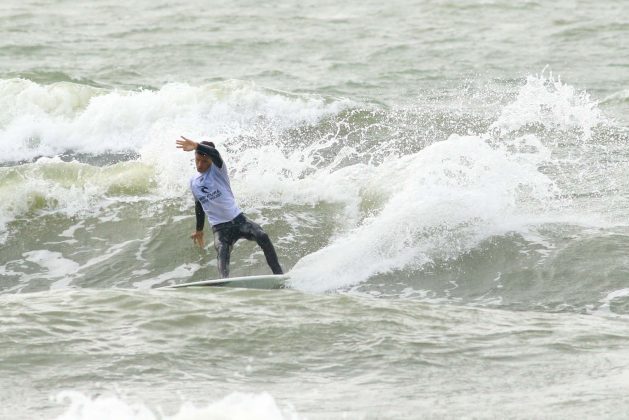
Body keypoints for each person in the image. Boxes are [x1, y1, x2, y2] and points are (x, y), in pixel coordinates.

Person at [176, 135, 283, 278]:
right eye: (197, 160)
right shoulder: (193, 182)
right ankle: (225, 284)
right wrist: (199, 230)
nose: (200, 165)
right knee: (222, 254)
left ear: (211, 161)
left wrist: (196, 145)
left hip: (239, 221)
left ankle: (279, 276)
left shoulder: (218, 170)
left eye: (205, 161)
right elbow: (199, 206)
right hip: (220, 229)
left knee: (262, 236)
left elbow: (215, 153)